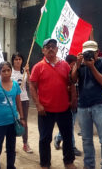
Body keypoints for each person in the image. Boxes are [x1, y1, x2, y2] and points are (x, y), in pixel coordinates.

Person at [29, 38, 77, 169]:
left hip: (64, 109)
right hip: (46, 110)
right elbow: (32, 86)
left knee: (67, 137)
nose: (51, 48)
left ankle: (69, 161)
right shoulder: (38, 67)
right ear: (43, 50)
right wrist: (38, 105)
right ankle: (45, 164)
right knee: (45, 139)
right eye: (48, 46)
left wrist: (73, 99)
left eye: (53, 46)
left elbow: (71, 83)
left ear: (57, 49)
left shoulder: (65, 65)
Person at [71, 40, 102, 169]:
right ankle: (89, 166)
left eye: (91, 53)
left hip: (100, 105)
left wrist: (92, 66)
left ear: (97, 52)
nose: (89, 56)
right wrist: (77, 66)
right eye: (86, 53)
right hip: (83, 105)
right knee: (86, 139)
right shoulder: (81, 63)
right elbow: (73, 80)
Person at [0, 61, 25, 169]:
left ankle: (10, 166)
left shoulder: (15, 86)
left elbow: (18, 102)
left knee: (11, 148)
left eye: (8, 70)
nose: (6, 73)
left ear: (11, 71)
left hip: (12, 122)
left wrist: (22, 117)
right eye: (3, 71)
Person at [54, 55, 81, 156]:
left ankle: (58, 137)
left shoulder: (78, 73)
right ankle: (72, 147)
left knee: (70, 125)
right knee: (70, 127)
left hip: (76, 104)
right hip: (67, 105)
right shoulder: (65, 75)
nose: (75, 66)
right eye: (73, 64)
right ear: (68, 64)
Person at [11, 52, 33, 153]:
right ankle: (11, 144)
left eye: (20, 59)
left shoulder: (24, 71)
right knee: (11, 122)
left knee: (24, 122)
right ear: (13, 61)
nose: (18, 61)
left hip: (24, 100)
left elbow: (30, 82)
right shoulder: (9, 71)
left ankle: (25, 143)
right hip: (12, 100)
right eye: (16, 59)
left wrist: (28, 72)